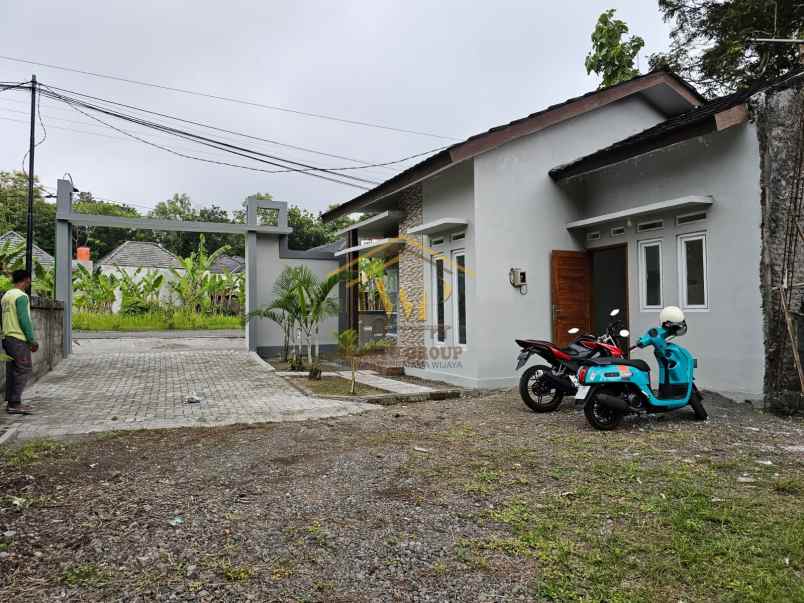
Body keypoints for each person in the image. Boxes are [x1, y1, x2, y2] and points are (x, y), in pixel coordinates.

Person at [2, 269, 38, 414]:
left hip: (7, 337)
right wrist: (31, 340)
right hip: (18, 338)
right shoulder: (21, 296)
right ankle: (15, 403)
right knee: (23, 369)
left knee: (13, 371)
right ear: (27, 280)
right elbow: (24, 320)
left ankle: (12, 402)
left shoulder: (6, 296)